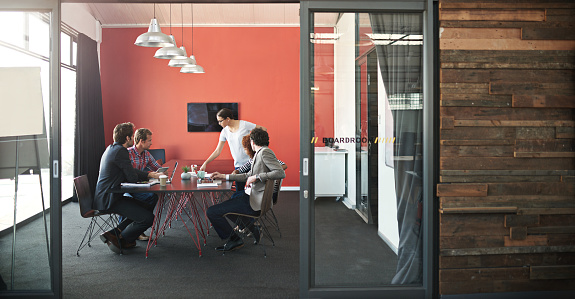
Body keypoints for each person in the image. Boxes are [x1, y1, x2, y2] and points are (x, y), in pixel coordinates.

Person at [208, 128, 285, 252]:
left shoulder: (265, 153)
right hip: (252, 196)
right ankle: (253, 228)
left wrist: (257, 177)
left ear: (253, 141)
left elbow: (280, 172)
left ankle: (234, 239)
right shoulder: (260, 153)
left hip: (255, 201)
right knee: (232, 201)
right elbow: (246, 175)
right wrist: (224, 176)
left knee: (212, 211)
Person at [93, 122, 163, 254]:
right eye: (132, 136)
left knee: (146, 205)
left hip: (111, 195)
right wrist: (149, 175)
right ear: (127, 138)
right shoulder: (121, 151)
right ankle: (121, 239)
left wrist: (149, 174)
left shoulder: (112, 148)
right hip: (110, 199)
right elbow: (131, 177)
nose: (133, 138)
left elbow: (130, 172)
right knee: (148, 218)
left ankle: (115, 232)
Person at [199, 108, 266, 192]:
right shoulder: (224, 132)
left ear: (228, 119)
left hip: (252, 162)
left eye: (220, 121)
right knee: (239, 191)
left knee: (256, 191)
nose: (219, 123)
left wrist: (253, 141)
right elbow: (217, 151)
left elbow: (263, 129)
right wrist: (205, 163)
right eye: (218, 121)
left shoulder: (244, 124)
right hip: (239, 165)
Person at [125, 128, 166, 241]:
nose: (151, 143)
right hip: (127, 187)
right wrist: (150, 174)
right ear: (142, 141)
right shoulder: (127, 153)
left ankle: (139, 226)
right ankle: (134, 227)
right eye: (149, 140)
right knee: (147, 198)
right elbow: (130, 173)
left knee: (152, 197)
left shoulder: (146, 154)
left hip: (140, 186)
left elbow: (157, 168)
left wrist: (163, 171)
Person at [233, 134, 287, 204]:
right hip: (261, 191)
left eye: (245, 149)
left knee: (236, 196)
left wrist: (268, 171)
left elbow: (284, 165)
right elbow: (242, 169)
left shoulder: (264, 156)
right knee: (237, 195)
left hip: (266, 193)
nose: (244, 151)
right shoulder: (253, 159)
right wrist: (236, 172)